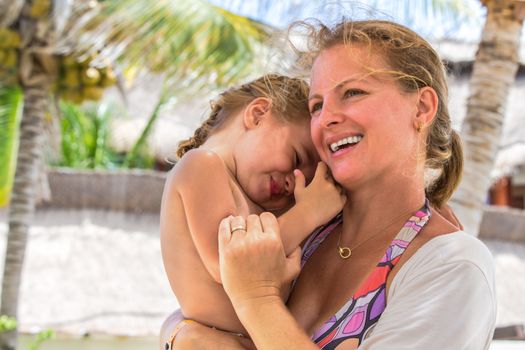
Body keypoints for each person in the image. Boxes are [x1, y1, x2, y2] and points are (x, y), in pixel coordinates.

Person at [168, 19, 496, 350]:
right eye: (317, 106)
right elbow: (209, 302)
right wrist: (180, 332)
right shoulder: (311, 233)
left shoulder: (450, 266)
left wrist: (257, 300)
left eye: (353, 92)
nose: (326, 118)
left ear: (422, 108)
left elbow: (241, 295)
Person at [160, 74, 346, 349]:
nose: (292, 182)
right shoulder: (202, 165)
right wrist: (309, 212)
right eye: (296, 157)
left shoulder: (253, 199)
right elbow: (231, 264)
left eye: (302, 181)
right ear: (257, 114)